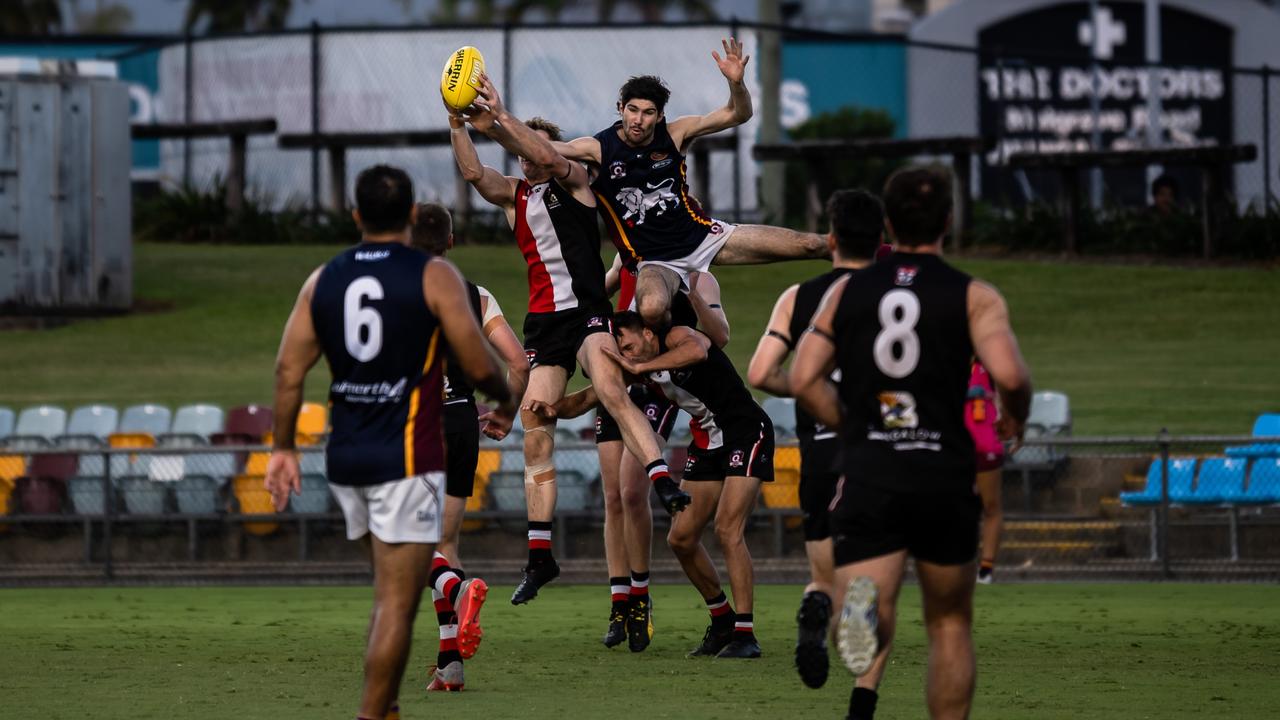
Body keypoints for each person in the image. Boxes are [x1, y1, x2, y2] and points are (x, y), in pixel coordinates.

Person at [264, 165, 516, 720]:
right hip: (406, 455)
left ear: (355, 217)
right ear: (408, 218)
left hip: (346, 458)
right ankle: (375, 711)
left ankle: (400, 691)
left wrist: (282, 448)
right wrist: (502, 399)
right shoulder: (435, 277)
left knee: (391, 585)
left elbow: (287, 370)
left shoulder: (322, 279)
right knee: (395, 609)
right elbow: (479, 362)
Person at [790, 165, 1032, 720]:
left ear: (888, 226)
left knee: (873, 590)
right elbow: (1013, 378)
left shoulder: (848, 291)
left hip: (872, 470)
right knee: (949, 622)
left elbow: (802, 377)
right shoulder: (975, 296)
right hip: (942, 474)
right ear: (948, 221)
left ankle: (862, 609)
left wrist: (853, 424)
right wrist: (1011, 419)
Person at [449, 80, 691, 606]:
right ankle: (541, 556)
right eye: (526, 153)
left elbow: (540, 152)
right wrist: (456, 124)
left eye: (538, 151)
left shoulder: (576, 180)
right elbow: (472, 173)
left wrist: (506, 125)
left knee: (609, 388)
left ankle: (662, 480)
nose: (530, 161)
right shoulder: (515, 196)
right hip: (543, 324)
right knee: (536, 423)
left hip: (585, 314)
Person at [531, 310, 772, 660]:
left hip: (746, 432)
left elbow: (698, 351)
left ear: (647, 332)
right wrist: (551, 408)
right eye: (621, 351)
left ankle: (746, 634)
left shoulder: (675, 336)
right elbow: (588, 397)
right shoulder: (637, 367)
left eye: (628, 345)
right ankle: (722, 619)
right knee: (681, 539)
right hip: (707, 442)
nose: (626, 355)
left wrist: (643, 367)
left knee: (727, 530)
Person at [553, 38, 827, 330]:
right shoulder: (598, 148)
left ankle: (878, 260)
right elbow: (545, 151)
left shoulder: (675, 133)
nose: (638, 120)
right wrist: (500, 123)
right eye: (632, 110)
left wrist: (736, 84)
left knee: (810, 244)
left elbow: (739, 114)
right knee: (651, 308)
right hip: (655, 260)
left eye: (648, 113)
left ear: (660, 116)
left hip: (704, 238)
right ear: (620, 107)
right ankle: (676, 343)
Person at [746, 189, 885, 689]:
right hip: (881, 451)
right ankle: (855, 631)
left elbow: (761, 372)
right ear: (880, 240)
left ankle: (819, 602)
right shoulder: (896, 297)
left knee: (824, 576)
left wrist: (815, 390)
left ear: (830, 240)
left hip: (820, 451)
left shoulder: (797, 297)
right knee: (873, 572)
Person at [409, 202, 529, 690]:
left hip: (416, 424)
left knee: (411, 549)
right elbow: (519, 362)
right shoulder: (477, 296)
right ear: (452, 242)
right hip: (461, 422)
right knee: (443, 545)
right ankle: (451, 666)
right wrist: (505, 413)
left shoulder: (398, 291)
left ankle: (459, 590)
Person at [595, 261, 730, 652]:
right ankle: (619, 600)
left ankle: (640, 595)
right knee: (613, 497)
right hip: (618, 372)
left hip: (655, 380)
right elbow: (594, 297)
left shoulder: (691, 269)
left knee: (632, 490)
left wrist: (691, 293)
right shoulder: (626, 256)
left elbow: (717, 337)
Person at [965, 360, 1004, 585]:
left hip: (985, 441)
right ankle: (958, 564)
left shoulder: (989, 362)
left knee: (991, 505)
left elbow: (1008, 390)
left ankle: (986, 569)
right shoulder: (943, 352)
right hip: (953, 444)